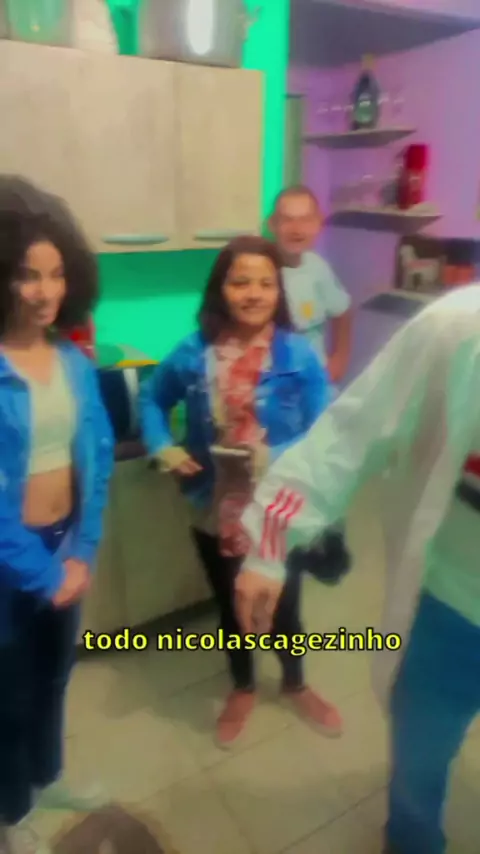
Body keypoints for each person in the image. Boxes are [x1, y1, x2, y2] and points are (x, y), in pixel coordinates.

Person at [235, 285, 480, 854]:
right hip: (451, 611)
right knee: (419, 768)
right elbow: (349, 435)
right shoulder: (458, 329)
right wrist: (271, 540)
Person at [139, 235, 343, 747]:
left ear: (279, 291)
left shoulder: (298, 354)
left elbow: (325, 431)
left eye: (266, 283)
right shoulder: (194, 352)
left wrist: (273, 454)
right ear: (221, 289)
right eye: (240, 282)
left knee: (285, 603)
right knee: (231, 604)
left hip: (278, 504)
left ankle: (295, 683)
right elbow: (151, 399)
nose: (253, 293)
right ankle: (244, 687)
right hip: (213, 504)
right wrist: (163, 446)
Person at [0, 177, 114, 854]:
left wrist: (82, 550)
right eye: (27, 274)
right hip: (9, 566)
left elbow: (95, 459)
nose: (45, 291)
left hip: (63, 547)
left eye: (56, 274)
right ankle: (12, 817)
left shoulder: (71, 361)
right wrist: (45, 574)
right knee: (8, 696)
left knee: (51, 679)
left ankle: (47, 778)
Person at [269, 185, 352, 386]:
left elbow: (343, 311)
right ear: (272, 225)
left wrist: (339, 360)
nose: (296, 230)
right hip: (274, 385)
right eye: (287, 220)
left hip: (315, 381)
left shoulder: (318, 267)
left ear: (317, 224)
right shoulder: (262, 269)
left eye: (305, 220)